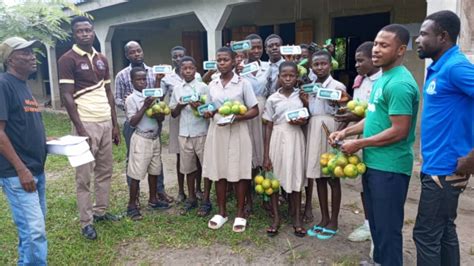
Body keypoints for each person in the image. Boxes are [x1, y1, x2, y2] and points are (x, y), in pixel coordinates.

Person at [329, 24, 419, 265]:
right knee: (377, 222)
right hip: (374, 162)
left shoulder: (399, 84)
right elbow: (374, 118)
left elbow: (399, 131)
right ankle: (378, 260)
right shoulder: (382, 78)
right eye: (376, 44)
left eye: (384, 45)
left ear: (400, 50)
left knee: (388, 226)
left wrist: (359, 145)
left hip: (390, 166)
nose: (377, 50)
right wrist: (347, 132)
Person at [413, 10, 474, 266]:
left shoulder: (456, 67)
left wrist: (473, 155)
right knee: (444, 231)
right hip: (437, 165)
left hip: (445, 168)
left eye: (424, 34)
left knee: (426, 235)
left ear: (443, 37)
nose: (417, 39)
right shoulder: (441, 66)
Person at [58, 16, 120, 240]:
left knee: (105, 171)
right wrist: (80, 129)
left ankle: (101, 211)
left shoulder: (102, 58)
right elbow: (66, 95)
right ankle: (86, 222)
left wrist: (114, 125)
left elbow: (109, 93)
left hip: (105, 123)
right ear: (74, 34)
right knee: (83, 176)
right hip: (85, 124)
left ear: (93, 32)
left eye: (88, 30)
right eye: (80, 31)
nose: (84, 34)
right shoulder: (67, 59)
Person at [0, 36, 47, 265]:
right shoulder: (3, 84)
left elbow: (23, 125)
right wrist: (21, 169)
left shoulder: (23, 85)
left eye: (32, 51)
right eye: (25, 53)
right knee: (35, 232)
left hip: (35, 170)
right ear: (10, 59)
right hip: (19, 174)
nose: (32, 56)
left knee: (32, 231)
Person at [202, 47, 258, 233]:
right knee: (219, 169)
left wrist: (237, 117)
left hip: (237, 129)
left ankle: (240, 213)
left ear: (234, 61)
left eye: (225, 59)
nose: (222, 63)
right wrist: (208, 112)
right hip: (217, 130)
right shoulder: (213, 84)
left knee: (240, 170)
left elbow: (254, 110)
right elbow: (209, 108)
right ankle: (222, 212)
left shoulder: (243, 83)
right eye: (219, 60)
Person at [114, 41, 172, 207]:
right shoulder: (122, 75)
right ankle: (134, 198)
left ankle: (157, 193)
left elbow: (157, 95)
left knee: (155, 159)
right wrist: (131, 103)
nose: (137, 54)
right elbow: (118, 99)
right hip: (134, 123)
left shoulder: (153, 72)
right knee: (134, 159)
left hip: (152, 123)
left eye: (139, 51)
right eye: (132, 52)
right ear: (127, 55)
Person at [335, 41, 381, 244]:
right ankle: (368, 223)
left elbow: (375, 116)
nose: (356, 65)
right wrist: (344, 117)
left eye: (360, 60)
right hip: (361, 139)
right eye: (356, 61)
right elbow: (360, 113)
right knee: (366, 186)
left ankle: (378, 230)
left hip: (379, 142)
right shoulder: (360, 82)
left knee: (378, 188)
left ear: (374, 59)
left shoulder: (383, 82)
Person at [304, 50, 347, 240]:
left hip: (331, 129)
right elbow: (309, 109)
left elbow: (346, 111)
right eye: (316, 64)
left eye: (323, 64)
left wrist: (340, 134)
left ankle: (334, 220)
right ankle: (324, 218)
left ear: (330, 65)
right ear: (311, 67)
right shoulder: (310, 87)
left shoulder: (337, 86)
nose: (320, 67)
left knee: (332, 176)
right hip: (314, 128)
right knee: (319, 176)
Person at [262, 61, 308, 237]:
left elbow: (306, 118)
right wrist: (266, 155)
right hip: (277, 137)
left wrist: (304, 114)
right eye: (284, 75)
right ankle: (276, 218)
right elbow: (268, 125)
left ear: (297, 77)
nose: (288, 79)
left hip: (296, 138)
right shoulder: (272, 98)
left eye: (292, 75)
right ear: (279, 77)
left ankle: (297, 218)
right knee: (274, 180)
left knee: (296, 177)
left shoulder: (301, 96)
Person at [125, 67, 169, 220]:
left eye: (144, 79)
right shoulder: (131, 99)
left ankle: (153, 199)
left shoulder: (153, 95)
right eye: (138, 79)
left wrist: (158, 114)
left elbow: (161, 118)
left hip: (154, 138)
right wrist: (145, 106)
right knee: (136, 173)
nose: (142, 82)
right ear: (132, 82)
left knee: (155, 170)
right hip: (141, 139)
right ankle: (132, 205)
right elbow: (132, 122)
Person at [160, 46, 202, 203]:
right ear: (172, 58)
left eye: (181, 56)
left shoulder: (197, 76)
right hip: (178, 120)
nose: (178, 59)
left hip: (195, 119)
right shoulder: (167, 78)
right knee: (180, 154)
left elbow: (201, 95)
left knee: (196, 155)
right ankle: (181, 190)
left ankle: (198, 189)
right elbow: (162, 97)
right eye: (175, 56)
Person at [169, 56, 210, 215]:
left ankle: (206, 200)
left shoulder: (203, 87)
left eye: (190, 68)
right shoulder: (177, 89)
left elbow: (209, 111)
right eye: (184, 69)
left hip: (201, 132)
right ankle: (191, 197)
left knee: (205, 167)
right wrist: (180, 105)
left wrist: (199, 106)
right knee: (188, 168)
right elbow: (173, 113)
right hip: (184, 133)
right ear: (180, 71)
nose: (187, 71)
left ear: (195, 69)